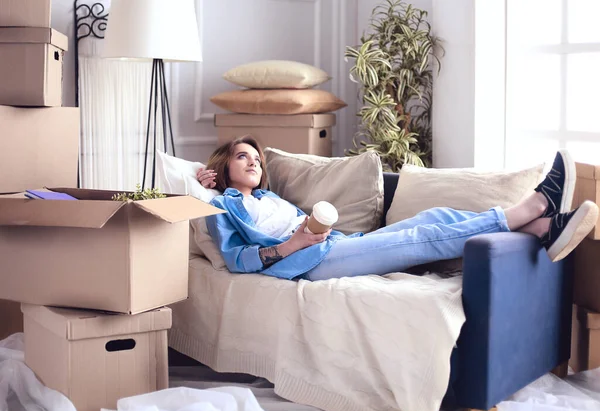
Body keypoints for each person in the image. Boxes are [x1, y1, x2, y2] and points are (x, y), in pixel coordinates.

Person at [198, 136, 599, 281]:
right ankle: (533, 206)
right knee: (421, 237)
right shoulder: (223, 206)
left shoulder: (268, 198)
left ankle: (540, 230)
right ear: (223, 167)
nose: (253, 161)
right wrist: (292, 245)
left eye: (256, 157)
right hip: (307, 263)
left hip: (332, 244)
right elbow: (238, 260)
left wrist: (308, 230)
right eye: (241, 157)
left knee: (431, 218)